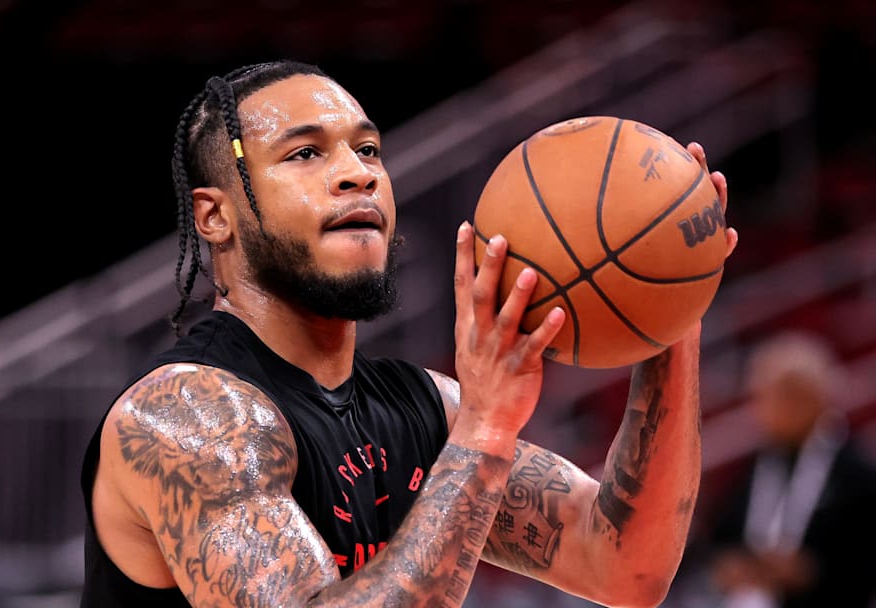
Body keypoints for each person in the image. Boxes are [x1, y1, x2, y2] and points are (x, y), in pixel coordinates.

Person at [79, 59, 738, 607]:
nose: (358, 172)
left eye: (368, 149)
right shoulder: (184, 415)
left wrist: (671, 299)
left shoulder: (421, 406)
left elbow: (624, 566)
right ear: (215, 217)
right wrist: (484, 432)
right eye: (305, 153)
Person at [706, 330, 876, 608]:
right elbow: (720, 541)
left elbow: (863, 560)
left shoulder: (857, 473)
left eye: (766, 397)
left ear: (806, 397)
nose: (757, 410)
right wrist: (730, 567)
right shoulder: (754, 467)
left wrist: (811, 572)